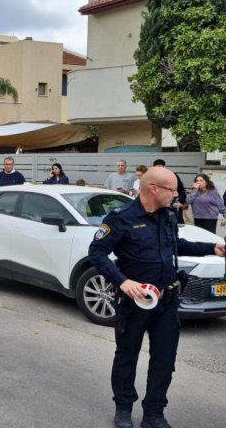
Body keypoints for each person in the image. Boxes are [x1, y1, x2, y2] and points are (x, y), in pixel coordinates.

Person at [89, 167, 225, 428]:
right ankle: (124, 409)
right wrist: (123, 281)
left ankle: (153, 413)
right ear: (154, 188)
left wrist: (213, 248)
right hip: (135, 303)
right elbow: (96, 252)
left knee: (164, 360)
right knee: (127, 356)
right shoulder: (121, 218)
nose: (176, 195)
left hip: (167, 301)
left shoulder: (168, 215)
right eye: (172, 190)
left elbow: (177, 245)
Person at [153, 159, 187, 224]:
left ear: (165, 167)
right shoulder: (152, 178)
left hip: (173, 207)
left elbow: (181, 191)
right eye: (157, 168)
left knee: (176, 225)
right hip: (159, 208)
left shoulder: (173, 176)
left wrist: (179, 201)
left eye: (161, 167)